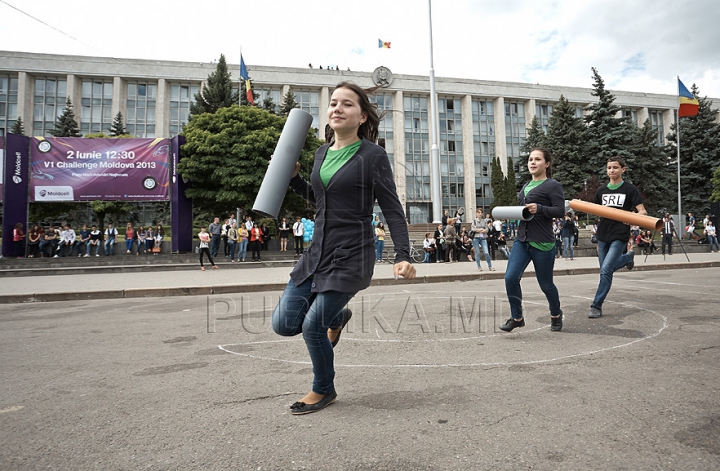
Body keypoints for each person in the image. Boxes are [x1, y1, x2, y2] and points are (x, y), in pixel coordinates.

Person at [272, 81, 416, 415]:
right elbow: (322, 200)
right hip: (317, 251)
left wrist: (404, 255)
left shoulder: (373, 156)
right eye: (334, 103)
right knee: (283, 324)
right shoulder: (321, 153)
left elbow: (392, 209)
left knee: (311, 327)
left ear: (363, 115)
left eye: (347, 104)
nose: (337, 108)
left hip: (352, 253)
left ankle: (323, 389)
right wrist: (295, 180)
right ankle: (338, 316)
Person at [501, 148, 565, 332]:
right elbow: (524, 212)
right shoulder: (525, 186)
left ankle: (556, 314)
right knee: (510, 278)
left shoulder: (553, 185)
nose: (532, 162)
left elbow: (560, 210)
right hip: (522, 241)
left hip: (543, 242)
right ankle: (517, 317)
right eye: (530, 159)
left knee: (546, 285)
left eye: (537, 159)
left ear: (546, 164)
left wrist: (541, 208)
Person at [589, 156, 646, 319]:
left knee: (606, 270)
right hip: (603, 234)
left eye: (615, 167)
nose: (611, 170)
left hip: (620, 235)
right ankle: (627, 259)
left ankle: (596, 305)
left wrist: (632, 216)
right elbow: (596, 210)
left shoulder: (630, 189)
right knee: (605, 271)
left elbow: (642, 211)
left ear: (623, 170)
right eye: (609, 168)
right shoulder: (601, 190)